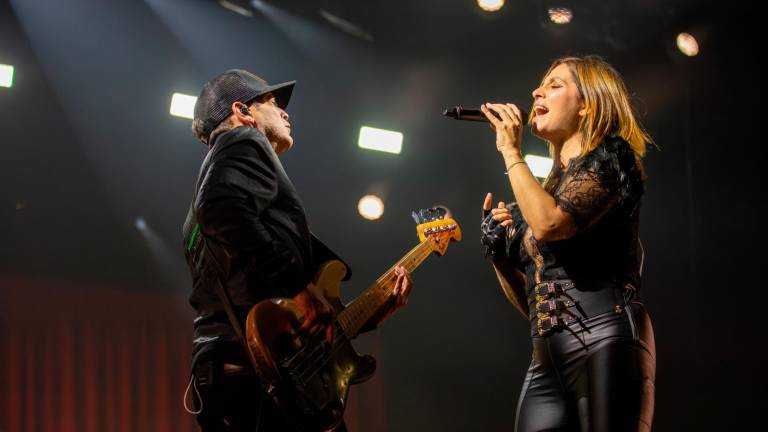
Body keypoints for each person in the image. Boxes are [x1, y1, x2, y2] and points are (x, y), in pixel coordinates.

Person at [181, 69, 413, 431]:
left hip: (231, 370)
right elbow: (221, 206)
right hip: (260, 374)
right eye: (273, 103)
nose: (286, 113)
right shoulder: (244, 141)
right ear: (243, 111)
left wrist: (368, 315)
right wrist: (299, 289)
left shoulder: (197, 212)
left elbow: (256, 291)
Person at [479, 55, 656, 431]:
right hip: (547, 357)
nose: (536, 91)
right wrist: (500, 257)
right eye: (541, 83)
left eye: (555, 84)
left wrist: (511, 151)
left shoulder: (611, 158)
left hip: (606, 337)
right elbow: (536, 305)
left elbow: (549, 224)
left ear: (588, 104)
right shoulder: (544, 191)